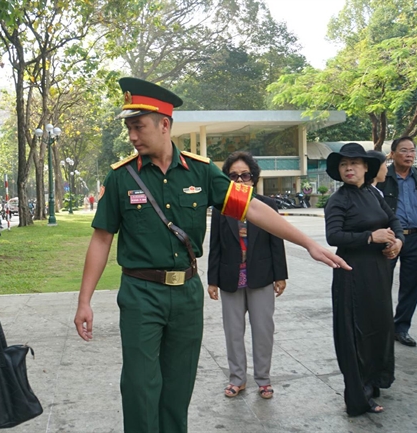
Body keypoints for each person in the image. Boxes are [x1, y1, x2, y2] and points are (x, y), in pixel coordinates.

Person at [73, 77, 350, 433]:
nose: (132, 136)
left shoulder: (201, 172)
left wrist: (308, 243)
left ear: (164, 125)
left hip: (186, 294)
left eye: (138, 126)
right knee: (141, 386)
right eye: (129, 128)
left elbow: (253, 209)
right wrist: (85, 300)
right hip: (141, 294)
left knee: (178, 386)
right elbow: (101, 240)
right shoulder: (121, 178)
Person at [324, 142, 404, 416]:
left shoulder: (373, 192)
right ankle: (358, 396)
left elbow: (393, 221)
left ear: (365, 168)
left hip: (379, 273)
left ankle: (375, 381)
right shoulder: (338, 200)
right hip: (352, 273)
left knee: (380, 327)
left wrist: (399, 242)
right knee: (356, 334)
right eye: (344, 164)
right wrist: (370, 237)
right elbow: (333, 237)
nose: (349, 168)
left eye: (354, 163)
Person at [207, 151, 288, 400]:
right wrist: (212, 280)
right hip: (230, 277)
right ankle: (237, 379)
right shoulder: (222, 209)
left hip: (261, 276)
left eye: (245, 175)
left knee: (263, 330)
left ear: (253, 178)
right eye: (234, 176)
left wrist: (280, 275)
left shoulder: (268, 206)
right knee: (233, 331)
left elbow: (277, 242)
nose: (240, 180)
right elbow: (216, 246)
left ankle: (263, 380)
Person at [377, 136, 417, 347]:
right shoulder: (383, 177)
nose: (409, 155)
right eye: (404, 151)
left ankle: (401, 328)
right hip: (390, 239)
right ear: (393, 154)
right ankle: (381, 329)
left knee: (411, 286)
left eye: (412, 151)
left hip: (416, 238)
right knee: (381, 284)